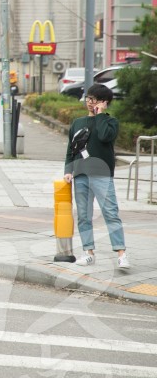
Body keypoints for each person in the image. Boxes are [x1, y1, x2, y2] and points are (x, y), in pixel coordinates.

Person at [63, 84, 129, 269]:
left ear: (104, 102)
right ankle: (88, 252)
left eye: (94, 100)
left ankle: (121, 253)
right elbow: (71, 148)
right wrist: (68, 170)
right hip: (81, 174)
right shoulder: (77, 122)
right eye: (88, 98)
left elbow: (105, 136)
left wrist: (100, 115)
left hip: (102, 174)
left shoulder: (110, 122)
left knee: (110, 213)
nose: (90, 103)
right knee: (84, 215)